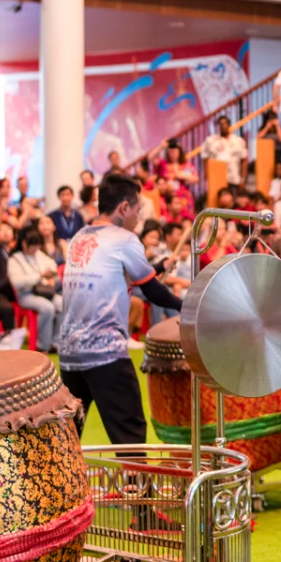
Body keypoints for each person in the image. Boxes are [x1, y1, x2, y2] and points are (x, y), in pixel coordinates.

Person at [57, 172, 184, 443]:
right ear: (123, 208)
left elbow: (117, 275)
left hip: (69, 355)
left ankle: (64, 486)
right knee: (131, 438)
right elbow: (151, 290)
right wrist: (187, 306)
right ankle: (136, 487)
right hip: (105, 355)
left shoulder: (80, 236)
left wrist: (158, 267)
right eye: (137, 209)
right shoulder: (125, 239)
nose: (138, 217)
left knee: (67, 439)